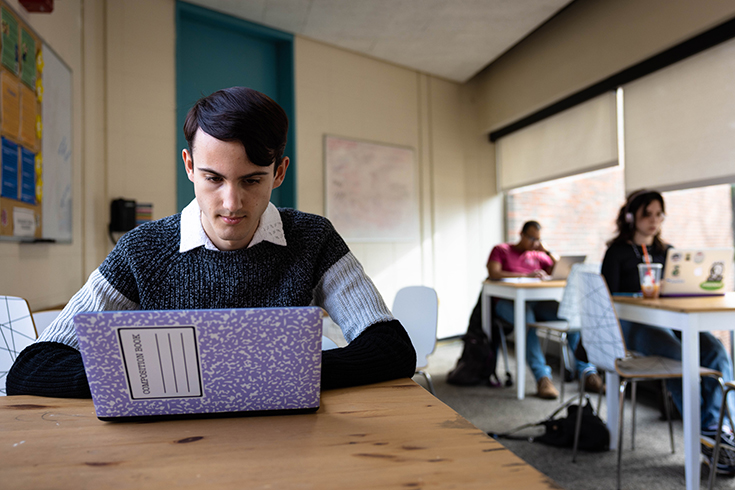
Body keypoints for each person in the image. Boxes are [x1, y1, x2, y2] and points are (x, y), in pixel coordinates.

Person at [6, 87, 416, 397]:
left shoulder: (313, 238)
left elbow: (391, 347)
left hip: (286, 442)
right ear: (189, 166)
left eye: (252, 180)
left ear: (279, 172)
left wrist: (274, 374)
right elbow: (33, 368)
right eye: (213, 178)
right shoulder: (142, 250)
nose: (231, 203)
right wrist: (161, 378)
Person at [602, 189, 735, 476]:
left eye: (659, 214)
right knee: (677, 356)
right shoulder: (617, 252)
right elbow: (608, 297)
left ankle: (716, 428)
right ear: (630, 216)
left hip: (670, 321)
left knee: (715, 350)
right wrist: (640, 293)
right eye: (646, 214)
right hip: (631, 325)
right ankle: (707, 439)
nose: (654, 220)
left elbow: (679, 289)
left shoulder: (669, 252)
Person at [488, 221, 602, 399]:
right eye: (532, 238)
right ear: (522, 234)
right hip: (506, 302)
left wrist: (546, 250)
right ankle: (542, 377)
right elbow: (494, 273)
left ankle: (587, 371)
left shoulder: (538, 255)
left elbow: (561, 269)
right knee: (526, 317)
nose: (535, 243)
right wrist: (525, 276)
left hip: (537, 302)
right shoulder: (501, 250)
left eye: (538, 240)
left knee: (569, 316)